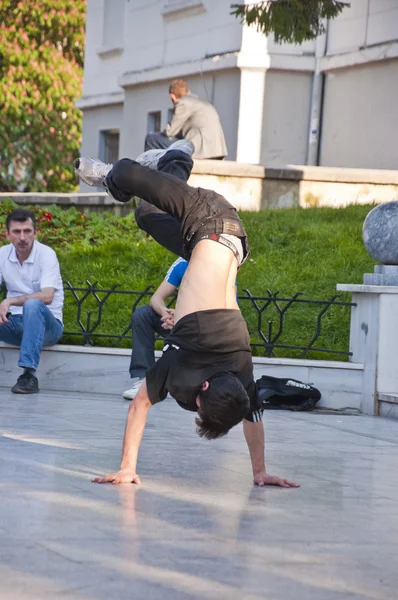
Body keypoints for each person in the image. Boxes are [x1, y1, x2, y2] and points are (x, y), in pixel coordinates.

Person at [74, 143, 299, 489]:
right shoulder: (183, 364)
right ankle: (110, 175)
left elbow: (251, 414)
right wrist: (126, 467)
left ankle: (174, 159)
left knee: (147, 216)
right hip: (206, 217)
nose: (194, 404)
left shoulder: (241, 371)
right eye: (199, 403)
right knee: (128, 176)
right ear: (204, 386)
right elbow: (140, 405)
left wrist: (259, 472)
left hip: (230, 241)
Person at [0, 209, 64, 394]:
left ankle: (28, 376)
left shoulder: (46, 254)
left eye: (27, 231)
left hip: (48, 328)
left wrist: (9, 301)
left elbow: (47, 296)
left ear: (35, 233)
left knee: (33, 304)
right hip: (14, 324)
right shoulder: (3, 254)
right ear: (7, 234)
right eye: (17, 231)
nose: (22, 237)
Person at [123, 257, 188, 401]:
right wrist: (165, 313)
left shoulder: (217, 262)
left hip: (207, 324)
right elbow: (156, 298)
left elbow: (222, 307)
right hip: (179, 321)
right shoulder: (182, 262)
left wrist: (182, 317)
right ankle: (144, 381)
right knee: (143, 314)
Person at [144, 78, 228, 160]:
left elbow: (170, 132)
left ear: (172, 96)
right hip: (217, 151)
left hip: (200, 150)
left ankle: (149, 169)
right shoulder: (202, 102)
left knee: (151, 138)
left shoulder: (183, 103)